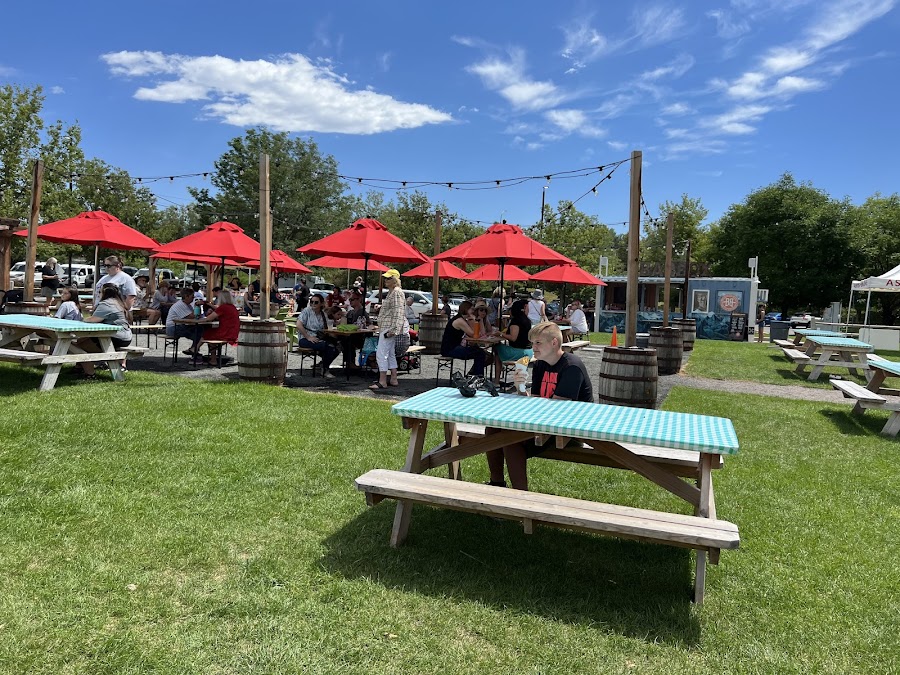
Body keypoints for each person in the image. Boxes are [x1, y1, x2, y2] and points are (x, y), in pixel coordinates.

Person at [486, 321, 592, 491]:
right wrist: (521, 389)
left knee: (510, 438)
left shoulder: (571, 366)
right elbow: (537, 400)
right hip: (548, 421)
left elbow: (557, 409)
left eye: (538, 343)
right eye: (532, 343)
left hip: (571, 429)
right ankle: (496, 483)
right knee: (492, 427)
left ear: (554, 343)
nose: (533, 347)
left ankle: (520, 500)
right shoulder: (541, 363)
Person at [76, 284, 134, 379]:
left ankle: (90, 374)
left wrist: (79, 321)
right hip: (125, 337)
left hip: (117, 337)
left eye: (100, 292)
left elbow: (93, 319)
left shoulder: (107, 304)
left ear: (105, 293)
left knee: (79, 346)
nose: (98, 294)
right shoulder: (118, 302)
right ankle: (80, 368)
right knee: (81, 341)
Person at [369, 269, 406, 391]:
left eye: (389, 278)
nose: (385, 280)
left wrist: (393, 330)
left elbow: (398, 312)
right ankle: (393, 378)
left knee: (381, 354)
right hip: (387, 327)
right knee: (390, 354)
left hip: (388, 328)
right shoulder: (392, 292)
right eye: (385, 278)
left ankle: (382, 381)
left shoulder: (396, 292)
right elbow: (393, 310)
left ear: (395, 280)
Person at [184, 288, 241, 363]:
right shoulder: (232, 307)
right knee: (210, 334)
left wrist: (199, 320)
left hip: (225, 333)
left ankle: (195, 349)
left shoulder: (223, 307)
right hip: (233, 333)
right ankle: (211, 358)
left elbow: (208, 319)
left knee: (207, 333)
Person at [297, 294, 339, 379]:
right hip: (305, 339)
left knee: (338, 345)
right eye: (311, 302)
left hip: (318, 337)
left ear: (321, 303)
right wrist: (308, 337)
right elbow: (298, 324)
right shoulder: (306, 311)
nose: (313, 304)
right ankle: (324, 369)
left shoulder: (323, 314)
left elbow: (328, 325)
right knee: (328, 346)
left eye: (316, 302)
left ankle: (323, 364)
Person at [440, 300, 486, 377]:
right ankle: (478, 377)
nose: (473, 311)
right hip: (450, 349)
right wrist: (476, 320)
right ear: (466, 309)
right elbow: (473, 334)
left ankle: (474, 375)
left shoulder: (462, 319)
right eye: (472, 309)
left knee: (479, 351)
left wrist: (479, 320)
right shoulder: (459, 321)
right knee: (480, 353)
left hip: (454, 347)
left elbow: (477, 334)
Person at [493, 298, 532, 383]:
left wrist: (500, 334)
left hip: (520, 352)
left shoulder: (516, 321)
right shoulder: (527, 320)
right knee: (500, 349)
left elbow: (513, 338)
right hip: (529, 351)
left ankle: (496, 380)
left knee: (497, 348)